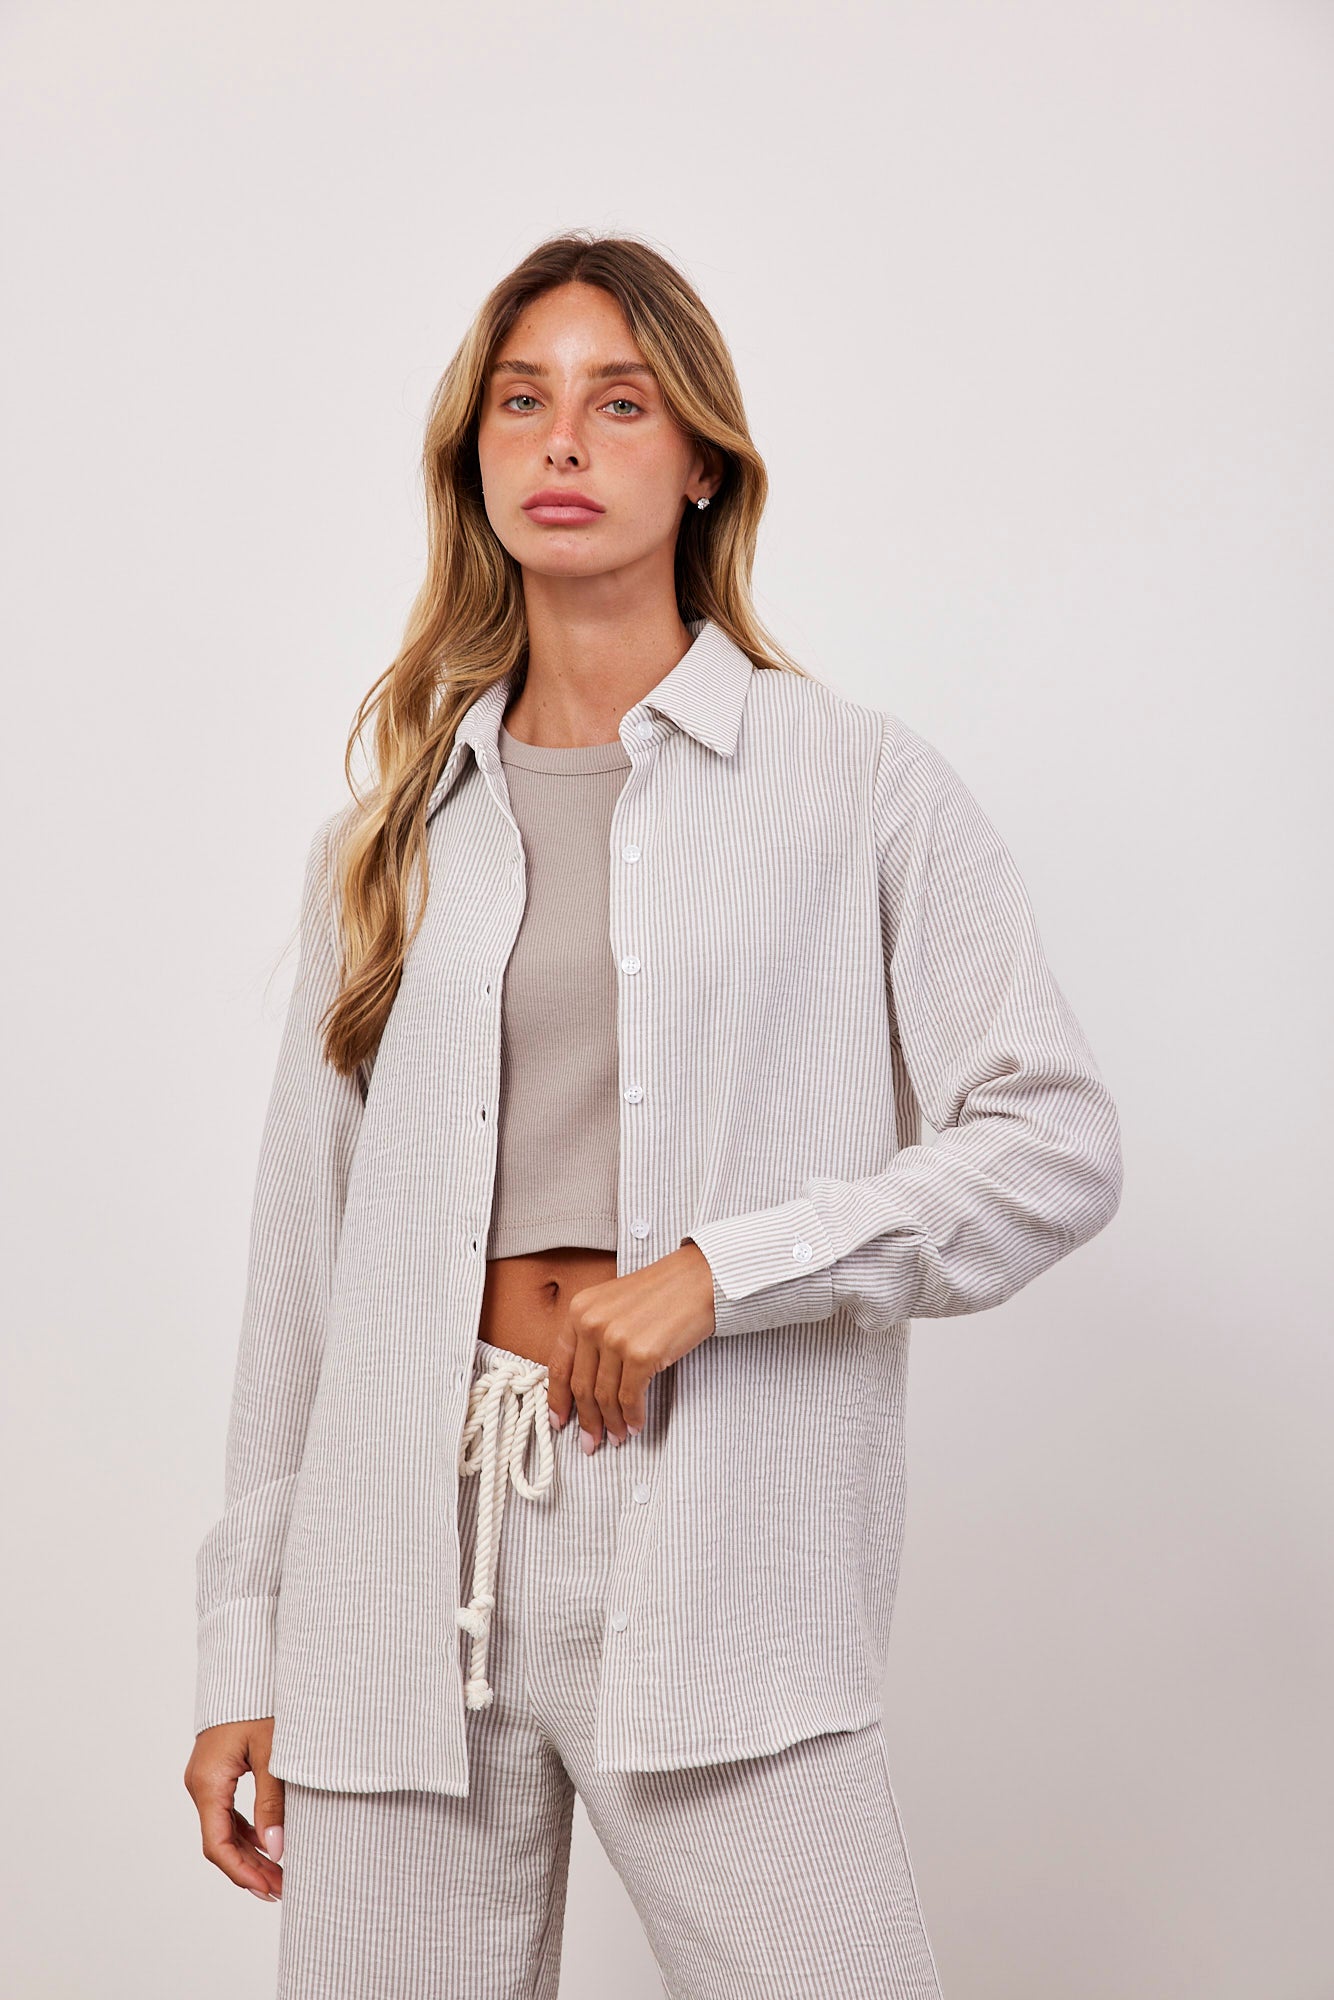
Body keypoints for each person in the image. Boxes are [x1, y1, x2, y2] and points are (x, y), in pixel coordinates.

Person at [183, 229, 1122, 1999]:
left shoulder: (851, 784)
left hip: (718, 1545)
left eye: (617, 403)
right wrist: (248, 1634)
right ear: (472, 458)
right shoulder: (388, 841)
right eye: (519, 402)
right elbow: (302, 1262)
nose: (561, 440)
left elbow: (1053, 1139)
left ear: (701, 462)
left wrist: (721, 1271)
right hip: (398, 1561)